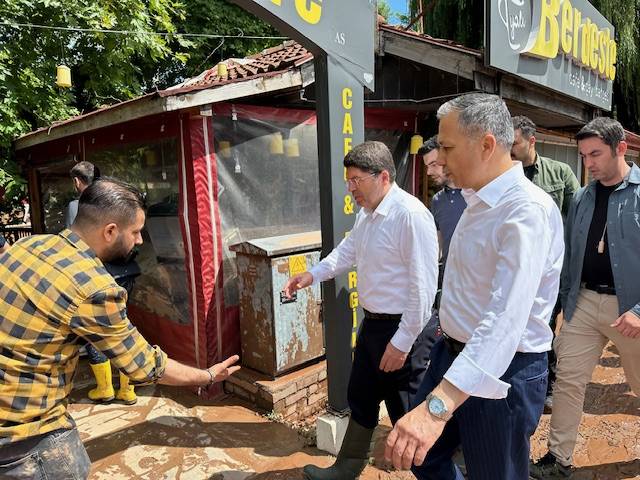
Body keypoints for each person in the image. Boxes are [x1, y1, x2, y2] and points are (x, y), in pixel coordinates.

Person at [0, 178, 240, 479]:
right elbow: (144, 366)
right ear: (110, 231)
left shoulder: (28, 245)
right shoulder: (94, 287)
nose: (140, 241)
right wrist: (206, 375)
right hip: (29, 437)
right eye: (136, 232)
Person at [385, 93, 564, 480]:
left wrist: (438, 406)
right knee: (423, 457)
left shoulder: (525, 212)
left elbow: (504, 320)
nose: (441, 158)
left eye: (447, 147)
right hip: (451, 355)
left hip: (503, 370)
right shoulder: (474, 200)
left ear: (486, 144)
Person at [284, 141, 439, 480]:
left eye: (356, 180)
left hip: (404, 330)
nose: (350, 188)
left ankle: (435, 474)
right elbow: (346, 253)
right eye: (348, 180)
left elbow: (423, 289)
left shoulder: (410, 216)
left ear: (383, 176)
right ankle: (347, 467)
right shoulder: (368, 216)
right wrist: (312, 275)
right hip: (373, 326)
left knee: (408, 414)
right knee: (362, 396)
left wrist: (402, 342)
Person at [531, 117, 640, 479]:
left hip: (631, 310)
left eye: (596, 154)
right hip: (583, 303)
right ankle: (558, 459)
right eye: (583, 155)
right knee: (568, 382)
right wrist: (561, 303)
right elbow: (569, 254)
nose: (588, 163)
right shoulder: (581, 197)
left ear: (620, 148)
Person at [511, 115, 581, 410]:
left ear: (531, 141)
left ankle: (546, 385)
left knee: (546, 327)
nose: (510, 150)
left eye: (514, 143)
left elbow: (576, 221)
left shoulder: (560, 173)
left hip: (549, 271)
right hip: (514, 268)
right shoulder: (501, 176)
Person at [66, 161, 141, 404]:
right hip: (126, 275)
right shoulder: (117, 200)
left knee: (97, 333)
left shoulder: (79, 207)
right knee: (122, 325)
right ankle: (127, 390)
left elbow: (74, 243)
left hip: (97, 277)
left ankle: (105, 388)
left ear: (78, 181)